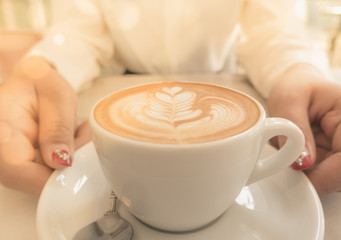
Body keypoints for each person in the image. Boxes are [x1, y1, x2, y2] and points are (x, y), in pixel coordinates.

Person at [0, 0, 340, 197]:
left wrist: (298, 72)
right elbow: (80, 30)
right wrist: (42, 67)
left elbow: (272, 29)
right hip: (124, 91)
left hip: (231, 89)